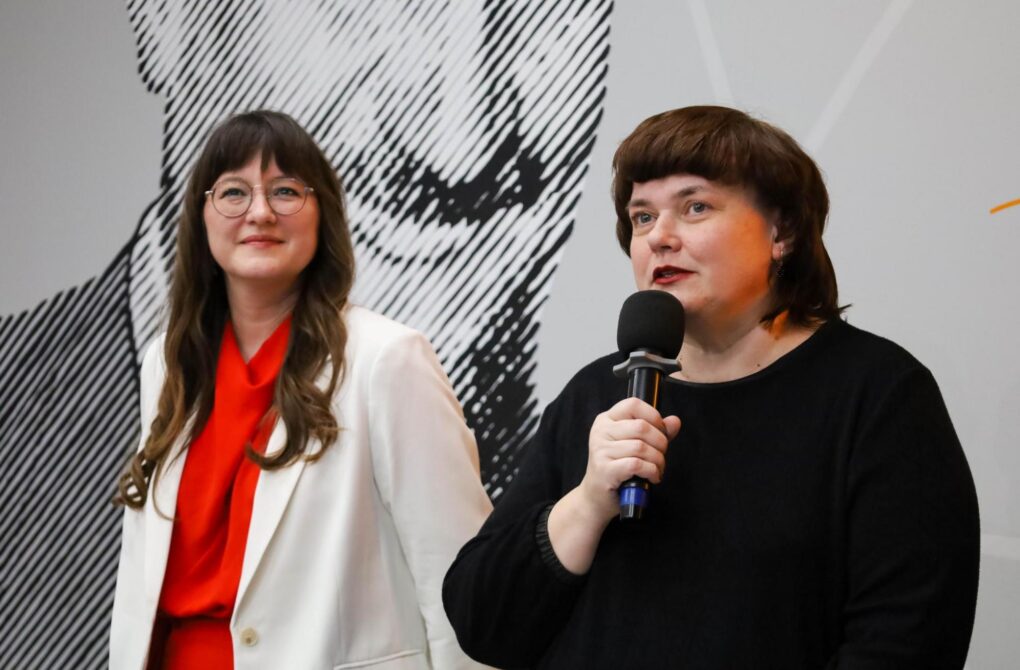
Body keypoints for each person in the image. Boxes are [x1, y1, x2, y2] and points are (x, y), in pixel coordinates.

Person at [442, 106, 980, 669]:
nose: (660, 237)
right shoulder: (599, 394)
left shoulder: (878, 394)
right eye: (642, 217)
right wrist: (588, 501)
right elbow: (483, 623)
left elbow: (906, 640)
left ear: (782, 231)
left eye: (695, 207)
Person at [109, 110, 493, 670]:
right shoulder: (167, 365)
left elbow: (462, 584)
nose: (260, 212)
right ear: (200, 217)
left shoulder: (385, 360)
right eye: (234, 192)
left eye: (286, 190)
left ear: (323, 215)